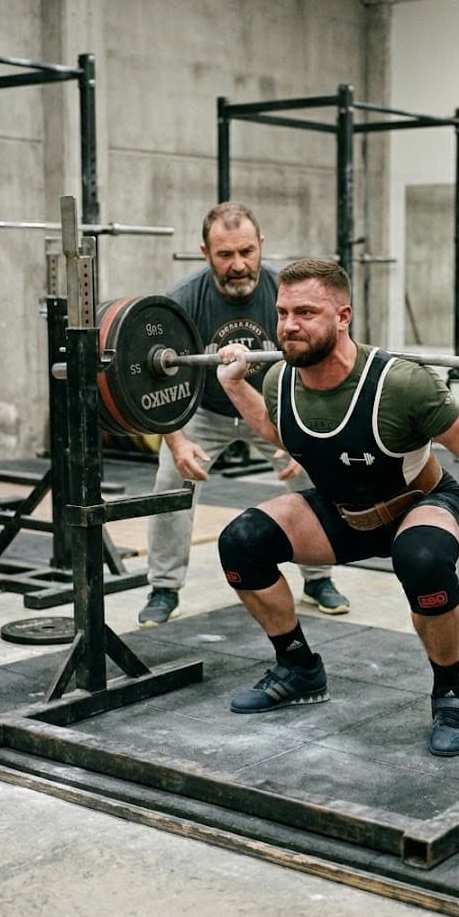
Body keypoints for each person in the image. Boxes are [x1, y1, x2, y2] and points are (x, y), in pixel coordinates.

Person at [214, 258, 459, 757]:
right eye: (282, 313)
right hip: (341, 512)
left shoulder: (402, 382)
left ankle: (449, 692)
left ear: (343, 316)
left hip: (420, 505)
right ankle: (299, 668)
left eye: (306, 312)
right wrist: (236, 385)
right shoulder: (280, 379)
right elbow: (281, 433)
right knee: (240, 544)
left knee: (423, 562)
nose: (288, 326)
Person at [138, 205, 350, 627]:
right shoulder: (183, 300)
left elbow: (318, 361)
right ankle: (164, 586)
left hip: (270, 407)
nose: (238, 265)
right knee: (169, 481)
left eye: (246, 252)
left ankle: (318, 579)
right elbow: (156, 380)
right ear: (205, 253)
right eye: (224, 255)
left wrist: (305, 438)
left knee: (313, 473)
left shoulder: (283, 293)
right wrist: (177, 443)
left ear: (261, 247)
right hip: (205, 409)